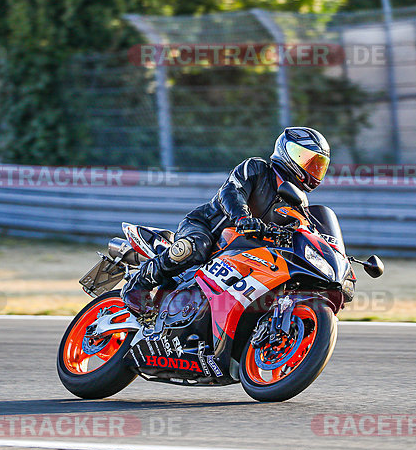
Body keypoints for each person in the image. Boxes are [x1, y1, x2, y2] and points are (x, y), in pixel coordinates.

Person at [122, 126, 331, 318]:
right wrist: (242, 218)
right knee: (195, 248)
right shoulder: (256, 168)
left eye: (317, 165)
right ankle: (137, 286)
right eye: (306, 160)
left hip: (244, 251)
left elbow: (306, 232)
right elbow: (232, 191)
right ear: (287, 152)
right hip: (206, 228)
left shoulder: (298, 204)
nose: (311, 169)